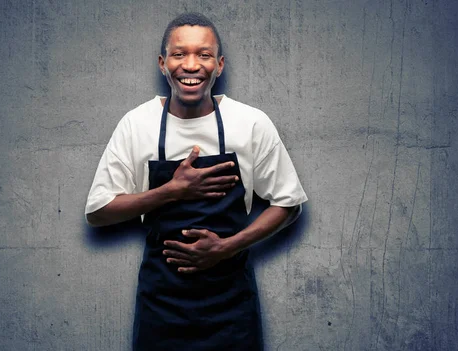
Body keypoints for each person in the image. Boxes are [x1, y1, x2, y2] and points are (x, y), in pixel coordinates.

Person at [85, 12, 307, 351]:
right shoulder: (137, 124)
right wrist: (172, 191)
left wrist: (226, 248)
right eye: (179, 54)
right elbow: (98, 211)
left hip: (230, 303)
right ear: (163, 63)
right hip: (162, 303)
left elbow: (289, 203)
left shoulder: (249, 123)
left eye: (203, 54)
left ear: (219, 65)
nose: (191, 65)